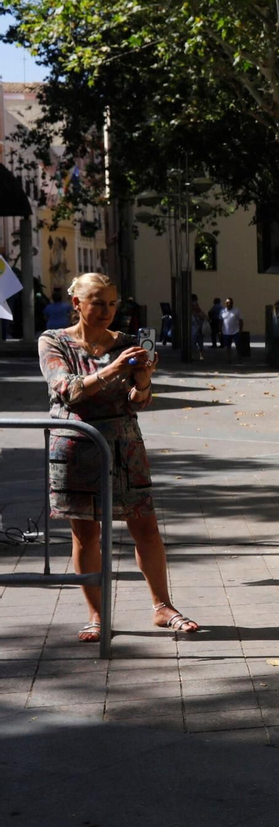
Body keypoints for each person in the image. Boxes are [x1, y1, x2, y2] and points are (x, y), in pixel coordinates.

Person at [38, 273, 200, 643]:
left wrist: (142, 380)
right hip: (76, 447)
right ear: (77, 304)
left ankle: (163, 607)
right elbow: (66, 390)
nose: (106, 311)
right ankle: (97, 615)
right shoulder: (54, 341)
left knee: (145, 527)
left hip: (125, 447)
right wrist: (113, 369)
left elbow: (139, 402)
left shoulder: (127, 344)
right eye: (97, 303)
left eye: (112, 304)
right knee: (86, 535)